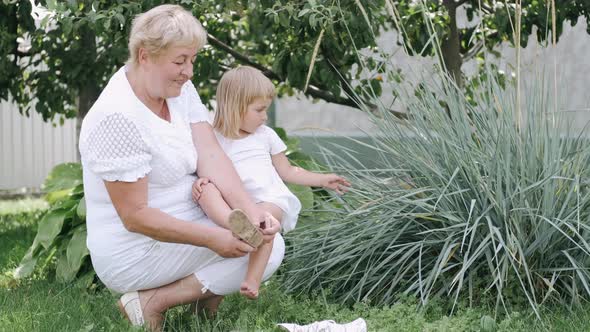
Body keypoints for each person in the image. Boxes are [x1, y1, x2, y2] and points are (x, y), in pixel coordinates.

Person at [78, 5, 283, 331]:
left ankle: (187, 302)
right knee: (262, 252)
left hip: (187, 219)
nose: (188, 71)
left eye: (192, 60)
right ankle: (151, 303)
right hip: (134, 250)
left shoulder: (178, 90)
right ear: (144, 57)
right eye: (179, 61)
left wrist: (250, 209)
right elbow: (136, 217)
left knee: (267, 241)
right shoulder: (116, 117)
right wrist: (213, 238)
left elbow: (211, 156)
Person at [191, 66, 351, 299]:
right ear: (235, 106)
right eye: (259, 110)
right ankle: (233, 224)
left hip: (269, 200)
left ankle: (252, 279)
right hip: (233, 205)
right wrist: (200, 181)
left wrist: (322, 180)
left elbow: (288, 171)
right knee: (206, 190)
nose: (265, 116)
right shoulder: (213, 138)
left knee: (265, 223)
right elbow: (205, 165)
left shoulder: (265, 135)